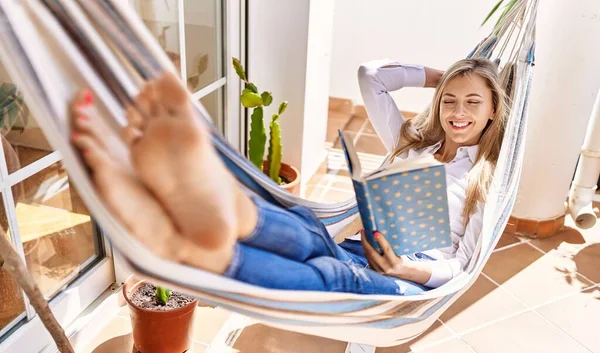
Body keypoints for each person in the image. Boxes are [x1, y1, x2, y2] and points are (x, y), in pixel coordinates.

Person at [68, 56, 507, 295]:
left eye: (473, 102)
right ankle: (217, 221)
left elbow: (463, 268)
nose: (458, 112)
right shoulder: (411, 143)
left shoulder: (486, 179)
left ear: (493, 111)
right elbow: (371, 76)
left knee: (333, 276)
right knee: (311, 231)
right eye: (450, 101)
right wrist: (448, 75)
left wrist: (407, 269)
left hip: (410, 276)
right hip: (366, 245)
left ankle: (201, 239)